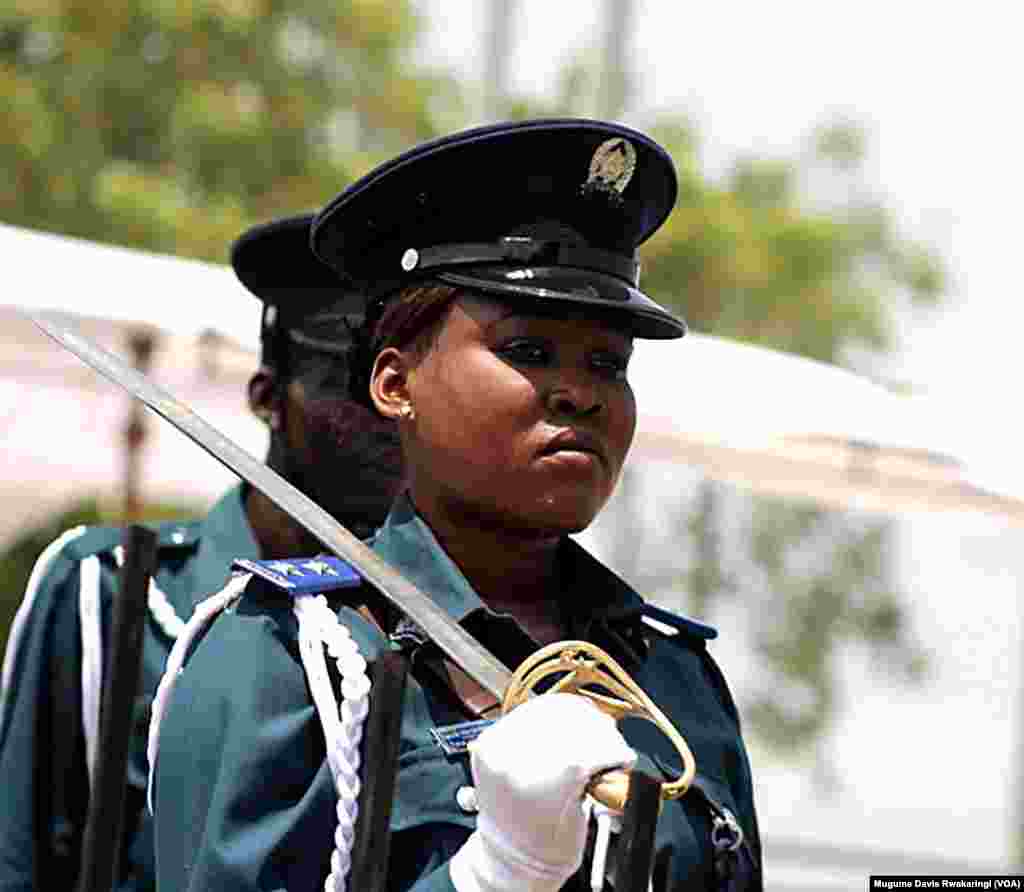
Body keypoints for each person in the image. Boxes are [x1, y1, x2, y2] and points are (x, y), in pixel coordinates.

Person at [149, 119, 763, 892]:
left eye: (609, 362)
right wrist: (490, 875)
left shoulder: (673, 677)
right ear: (394, 384)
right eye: (526, 351)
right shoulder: (284, 658)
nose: (581, 391)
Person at [0, 213, 404, 892]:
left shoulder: (425, 633)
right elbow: (19, 859)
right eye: (347, 381)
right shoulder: (110, 592)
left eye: (400, 385)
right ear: (269, 397)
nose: (383, 414)